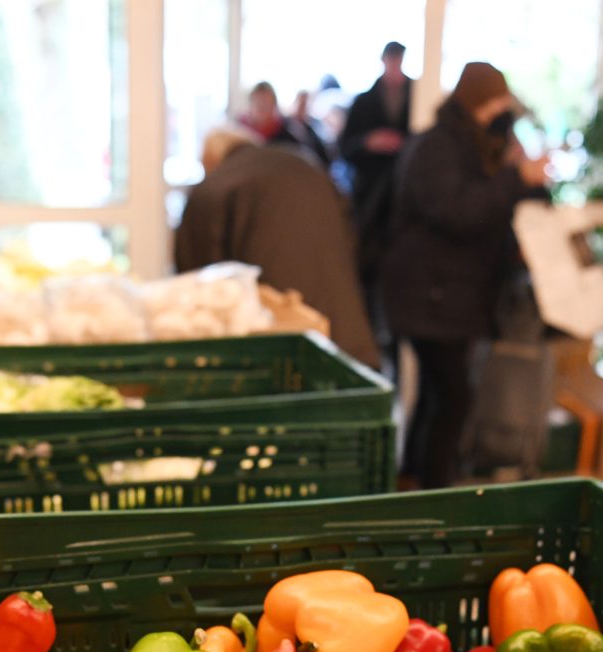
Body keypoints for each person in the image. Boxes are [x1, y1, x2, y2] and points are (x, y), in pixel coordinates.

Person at [380, 62, 550, 489]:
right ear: (480, 101)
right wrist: (515, 179)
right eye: (495, 103)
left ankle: (413, 477)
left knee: (439, 396)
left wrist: (527, 180)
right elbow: (458, 211)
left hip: (449, 294)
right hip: (432, 295)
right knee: (453, 397)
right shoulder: (439, 146)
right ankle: (435, 490)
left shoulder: (476, 143)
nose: (500, 113)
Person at [174, 127, 379, 369]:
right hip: (346, 331)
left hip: (277, 346)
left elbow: (197, 277)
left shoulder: (216, 186)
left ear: (211, 160)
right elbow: (353, 235)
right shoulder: (304, 163)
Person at [338, 41, 413, 371]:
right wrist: (370, 142)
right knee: (369, 278)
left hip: (405, 205)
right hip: (371, 205)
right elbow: (345, 146)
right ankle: (369, 347)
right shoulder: (365, 102)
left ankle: (393, 352)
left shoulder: (417, 98)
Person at [239, 81, 330, 168]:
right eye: (258, 104)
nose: (262, 109)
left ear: (274, 106)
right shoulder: (239, 136)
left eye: (266, 104)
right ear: (250, 106)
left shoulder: (289, 140)